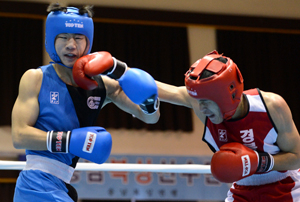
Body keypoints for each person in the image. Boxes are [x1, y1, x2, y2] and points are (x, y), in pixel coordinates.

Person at [11, 3, 159, 202]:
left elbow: (150, 117)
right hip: (36, 184)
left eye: (78, 38)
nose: (71, 44)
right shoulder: (35, 78)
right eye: (63, 37)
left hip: (60, 183)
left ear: (88, 43)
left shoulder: (103, 86)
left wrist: (147, 96)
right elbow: (19, 135)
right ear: (51, 40)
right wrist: (70, 141)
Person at [156, 50, 300, 201]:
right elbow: (156, 88)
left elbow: (297, 157)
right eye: (198, 101)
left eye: (206, 101)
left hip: (286, 186)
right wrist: (127, 74)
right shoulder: (200, 104)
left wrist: (259, 162)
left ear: (228, 94)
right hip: (241, 191)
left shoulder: (271, 106)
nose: (201, 108)